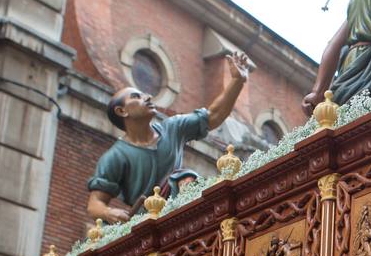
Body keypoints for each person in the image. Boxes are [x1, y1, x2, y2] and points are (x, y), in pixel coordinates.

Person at [86, 51, 252, 224]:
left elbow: (213, 116)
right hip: (144, 222)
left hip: (177, 207)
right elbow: (95, 203)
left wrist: (237, 81)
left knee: (183, 177)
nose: (148, 97)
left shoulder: (173, 128)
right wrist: (109, 213)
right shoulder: (115, 156)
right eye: (136, 97)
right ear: (122, 111)